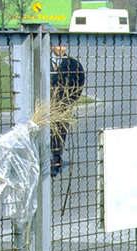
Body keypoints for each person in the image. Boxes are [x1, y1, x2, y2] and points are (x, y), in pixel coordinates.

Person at [49, 40, 85, 177]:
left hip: (64, 107)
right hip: (46, 106)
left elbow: (80, 82)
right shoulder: (43, 62)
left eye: (63, 46)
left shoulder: (73, 64)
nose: (61, 49)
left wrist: (70, 100)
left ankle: (56, 162)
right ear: (52, 46)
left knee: (59, 134)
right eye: (58, 46)